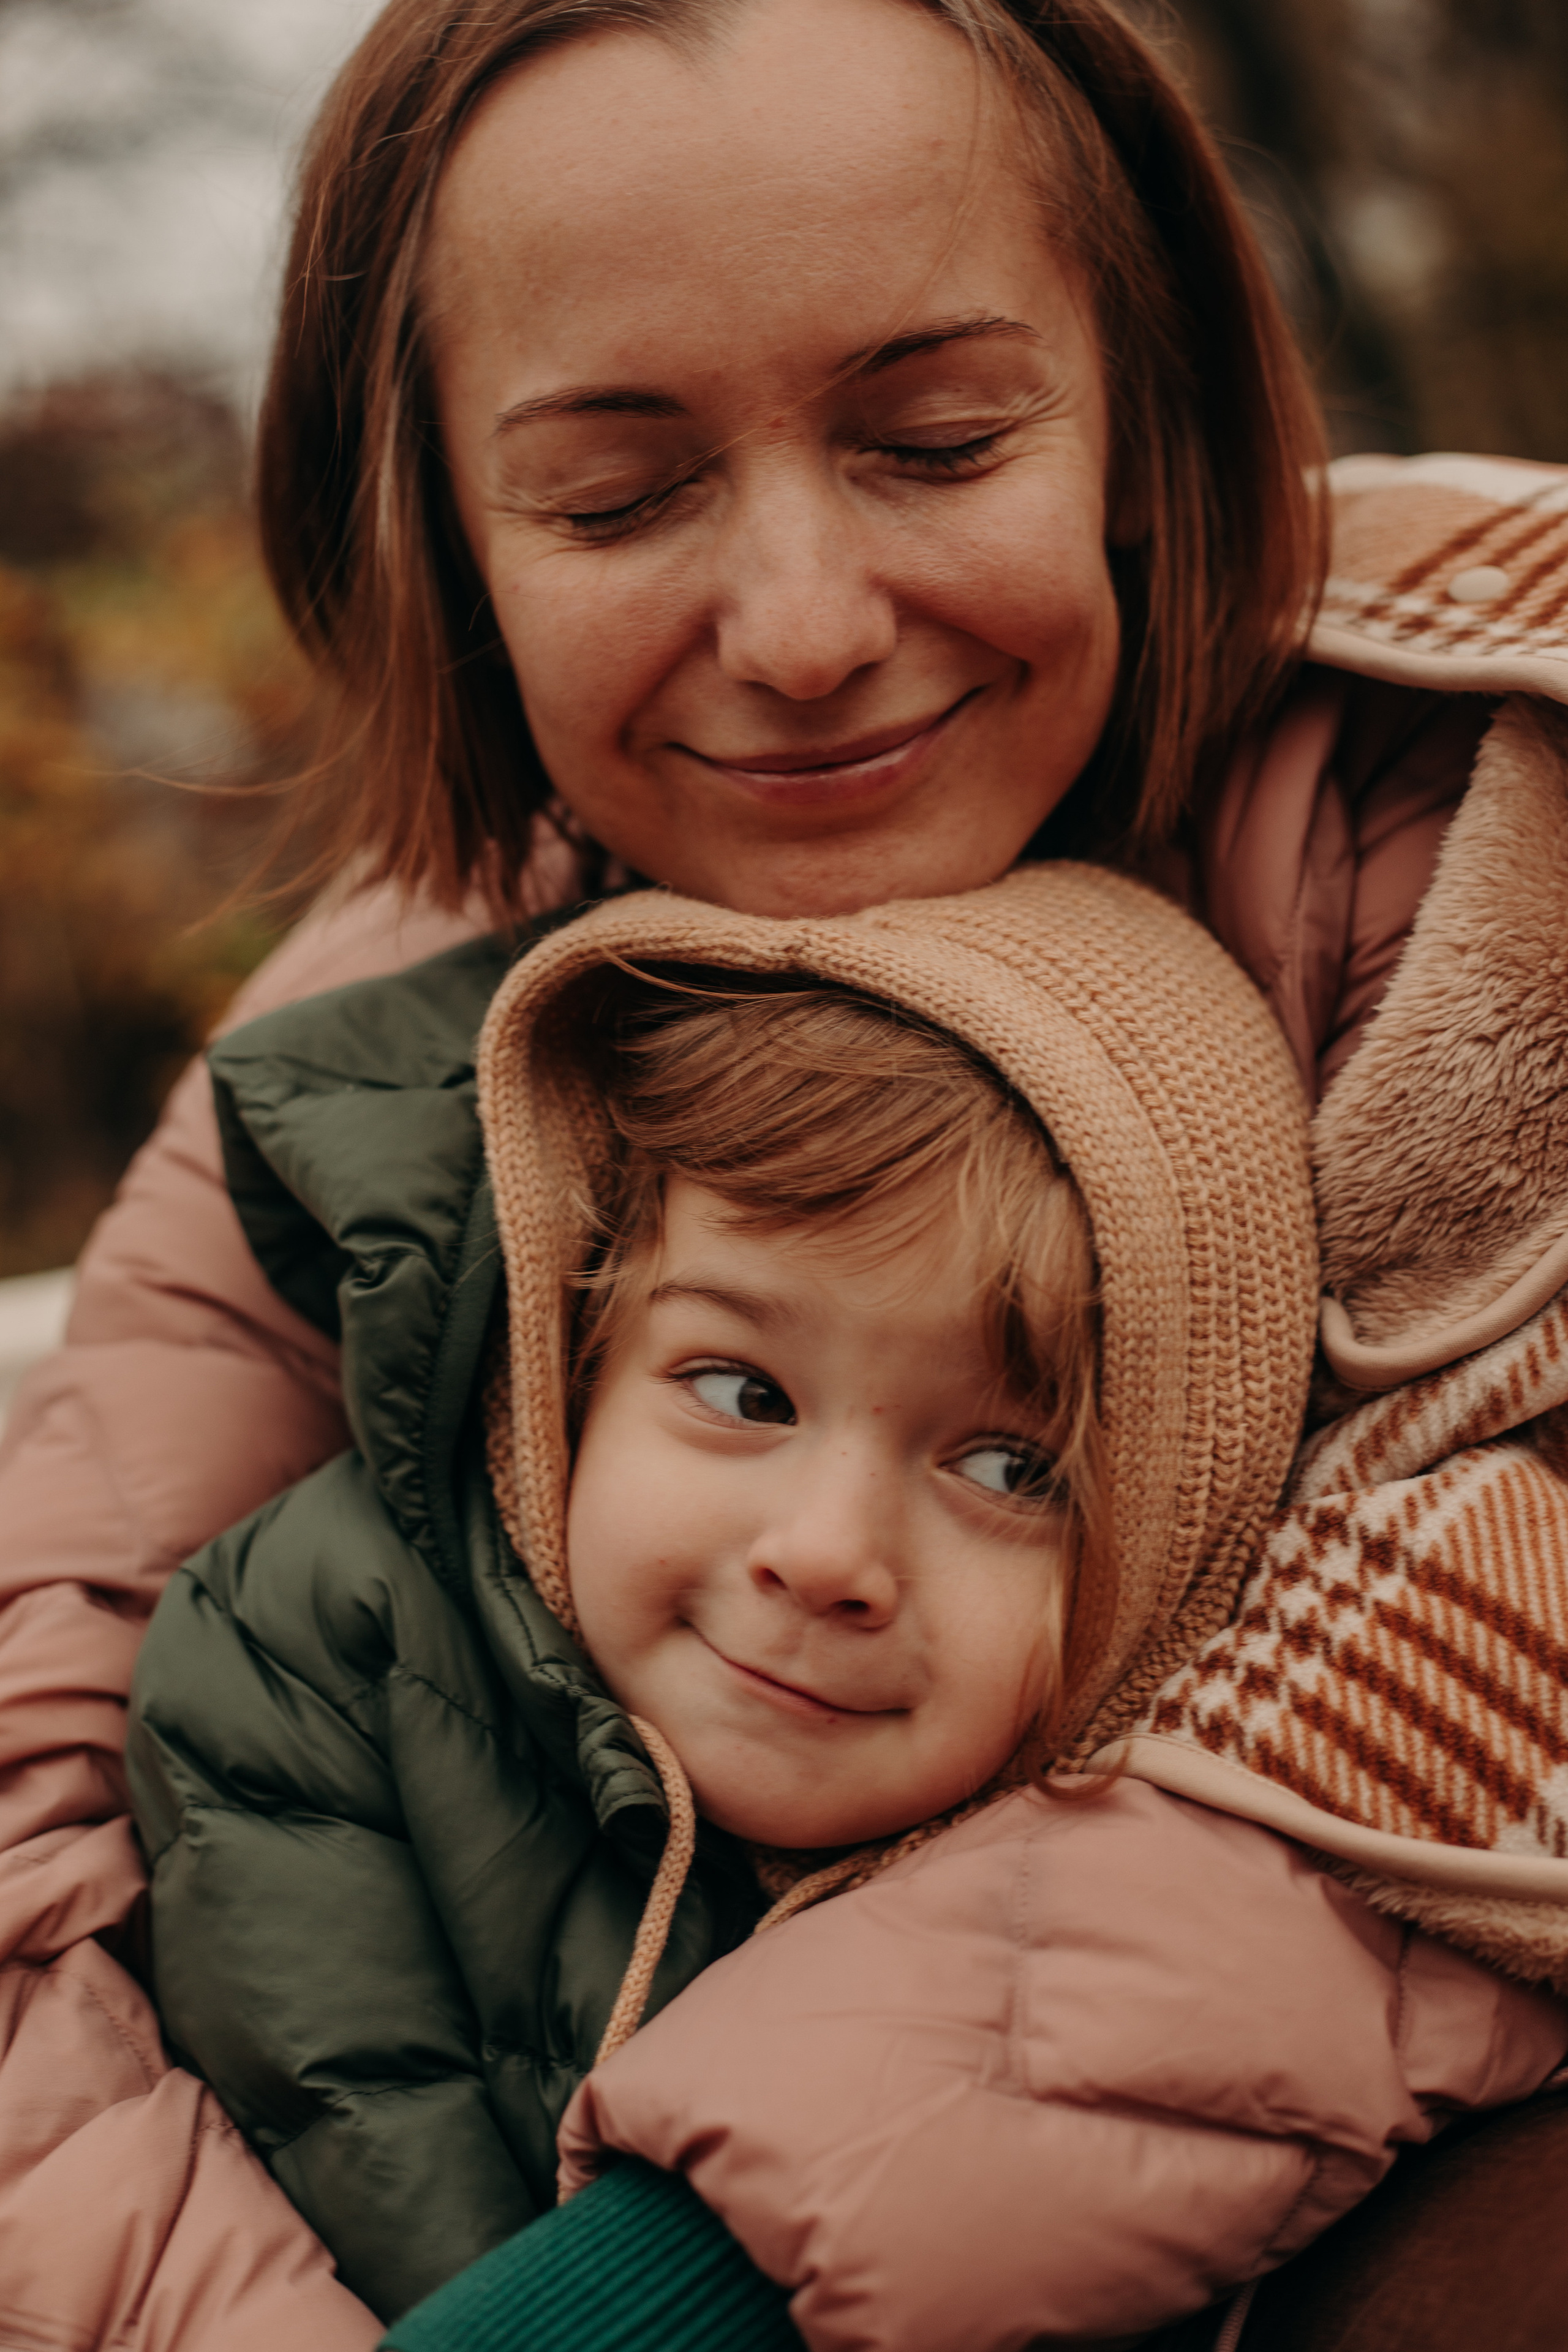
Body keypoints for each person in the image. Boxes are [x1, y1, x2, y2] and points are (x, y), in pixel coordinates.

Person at [0, 0, 1565, 2342]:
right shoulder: (412, 990)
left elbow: (1488, 1666)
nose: (811, 632)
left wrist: (676, 2283)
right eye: (619, 501)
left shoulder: (1483, 822)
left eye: (936, 442)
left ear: (1136, 407)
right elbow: (28, 1791)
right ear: (446, 533)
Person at [124, 863, 1566, 2351]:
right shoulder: (319, 1665)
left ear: (1172, 1550)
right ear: (571, 1372)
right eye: (743, 1392)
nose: (824, 1556)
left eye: (1010, 1468)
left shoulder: (1146, 1897)